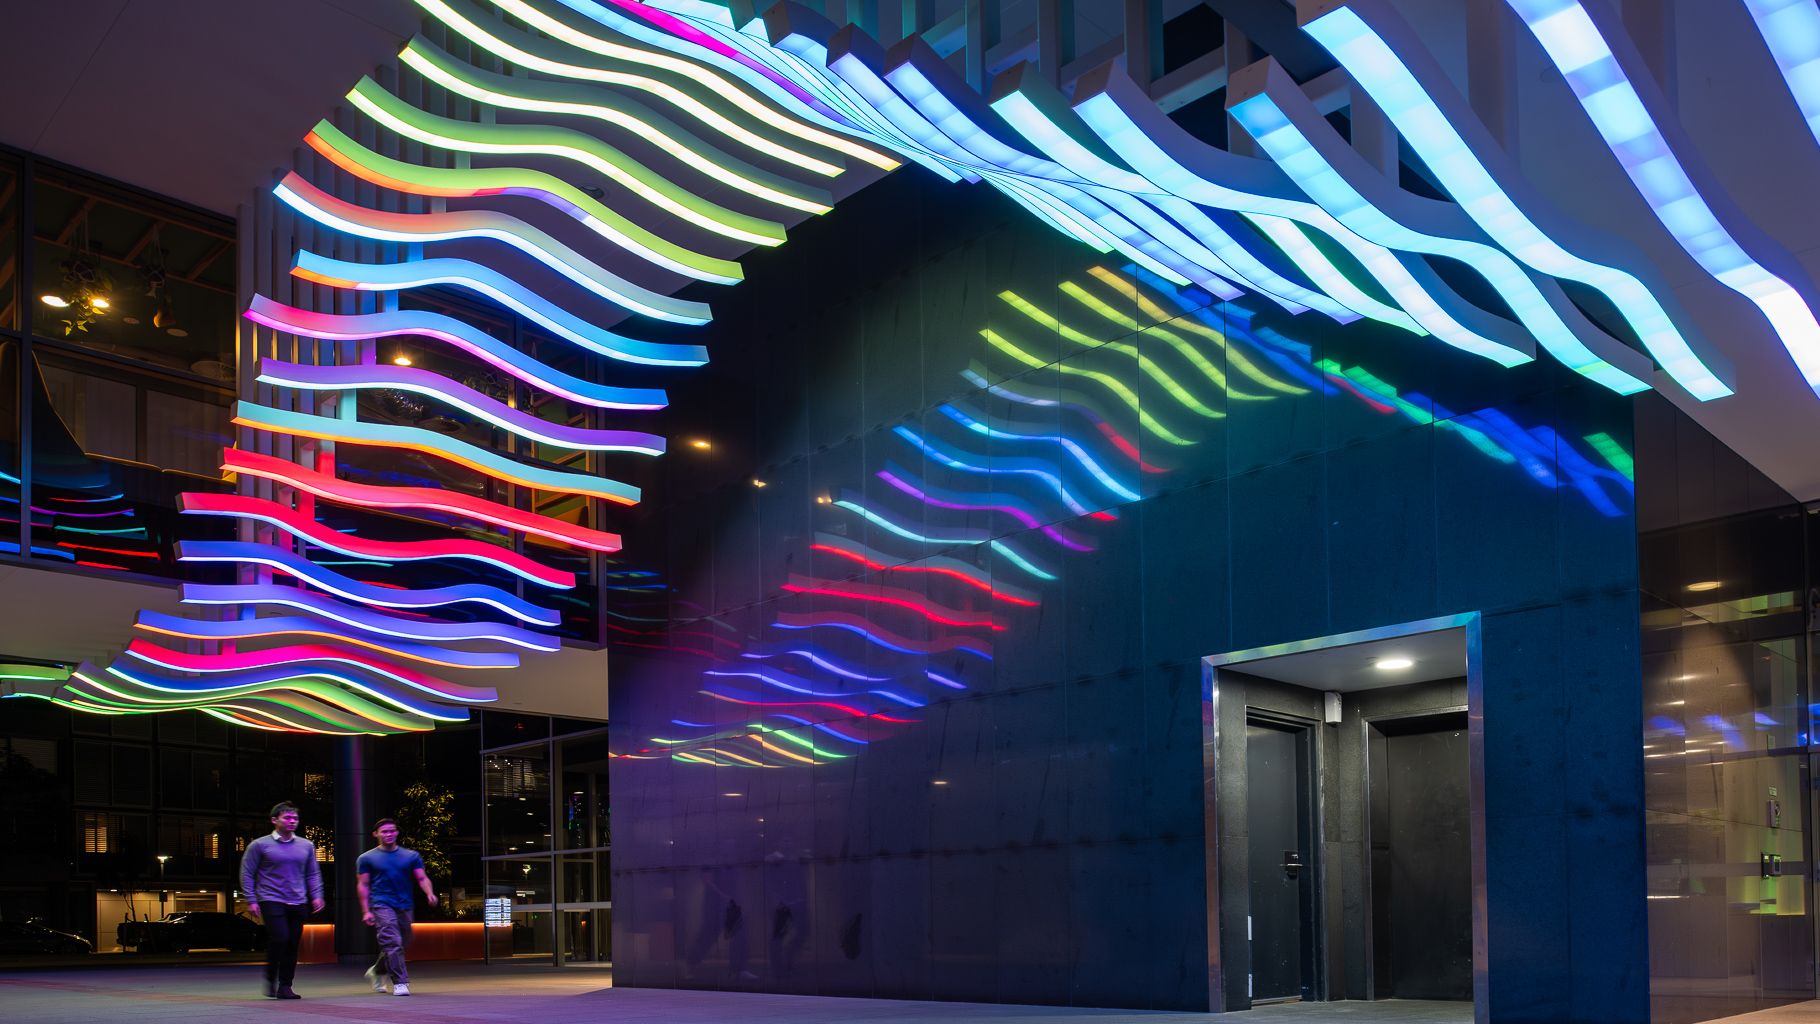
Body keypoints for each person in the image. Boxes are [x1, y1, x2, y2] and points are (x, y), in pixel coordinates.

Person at [240, 801, 325, 999]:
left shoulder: (306, 845)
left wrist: (317, 895)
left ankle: (285, 986)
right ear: (274, 820)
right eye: (287, 818)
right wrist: (251, 899)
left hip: (298, 900)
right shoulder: (260, 845)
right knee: (280, 938)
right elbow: (247, 873)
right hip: (270, 898)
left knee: (292, 943)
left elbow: (312, 873)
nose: (292, 821)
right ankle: (271, 976)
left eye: (295, 818)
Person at [357, 818, 437, 997]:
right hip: (381, 903)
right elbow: (363, 884)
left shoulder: (411, 856)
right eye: (384, 831)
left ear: (397, 833)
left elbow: (422, 878)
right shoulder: (367, 858)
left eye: (392, 831)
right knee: (392, 942)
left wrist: (429, 893)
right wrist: (366, 910)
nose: (389, 834)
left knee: (404, 941)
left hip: (404, 904)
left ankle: (377, 971)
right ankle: (400, 982)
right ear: (375, 834)